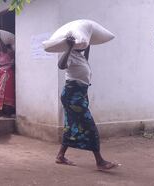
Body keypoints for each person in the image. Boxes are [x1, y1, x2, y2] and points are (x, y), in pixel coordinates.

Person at [56, 36, 118, 171]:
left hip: (79, 94)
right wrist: (69, 47)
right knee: (90, 126)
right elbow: (61, 65)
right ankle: (100, 161)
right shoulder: (71, 54)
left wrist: (89, 44)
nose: (84, 45)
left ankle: (60, 155)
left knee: (71, 125)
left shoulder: (80, 56)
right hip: (73, 96)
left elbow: (85, 61)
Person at [0, 32, 16, 117]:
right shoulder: (2, 54)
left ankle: (8, 112)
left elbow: (3, 49)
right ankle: (1, 111)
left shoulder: (9, 52)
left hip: (7, 75)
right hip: (2, 74)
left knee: (7, 93)